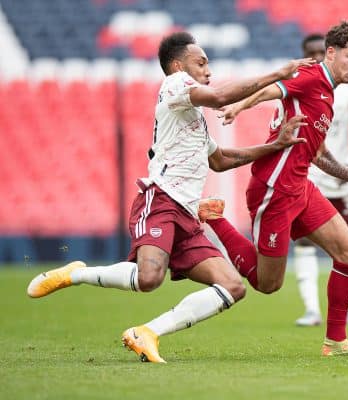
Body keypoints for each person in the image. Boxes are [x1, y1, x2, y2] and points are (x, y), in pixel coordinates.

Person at [26, 31, 314, 363]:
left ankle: (146, 333)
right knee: (149, 278)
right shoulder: (174, 84)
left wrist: (273, 147)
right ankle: (74, 274)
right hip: (161, 200)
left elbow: (219, 160)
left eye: (209, 65)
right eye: (201, 63)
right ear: (178, 65)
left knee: (233, 287)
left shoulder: (193, 116)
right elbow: (220, 97)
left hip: (187, 216)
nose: (208, 70)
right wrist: (278, 73)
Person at [202, 21, 348, 356]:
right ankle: (214, 218)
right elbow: (273, 88)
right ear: (331, 52)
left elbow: (318, 154)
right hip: (274, 189)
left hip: (301, 187)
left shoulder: (328, 94)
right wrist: (238, 106)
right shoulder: (311, 77)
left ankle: (336, 341)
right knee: (268, 284)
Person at [292, 33, 348, 328]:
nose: (315, 57)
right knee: (303, 243)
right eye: (309, 53)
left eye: (319, 52)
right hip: (309, 177)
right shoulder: (299, 85)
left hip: (341, 179)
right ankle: (312, 309)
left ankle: (344, 308)